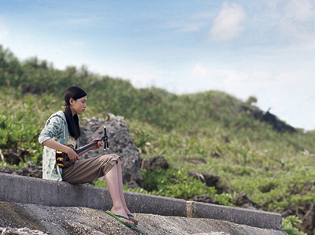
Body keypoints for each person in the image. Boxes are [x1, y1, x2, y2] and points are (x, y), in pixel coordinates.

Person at [38, 86, 138, 227]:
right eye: (83, 102)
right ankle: (116, 207)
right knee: (110, 160)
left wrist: (91, 146)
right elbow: (43, 138)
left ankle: (123, 208)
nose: (85, 106)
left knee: (116, 160)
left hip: (69, 167)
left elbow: (72, 155)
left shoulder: (72, 120)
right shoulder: (58, 119)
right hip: (59, 173)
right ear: (71, 101)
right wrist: (67, 150)